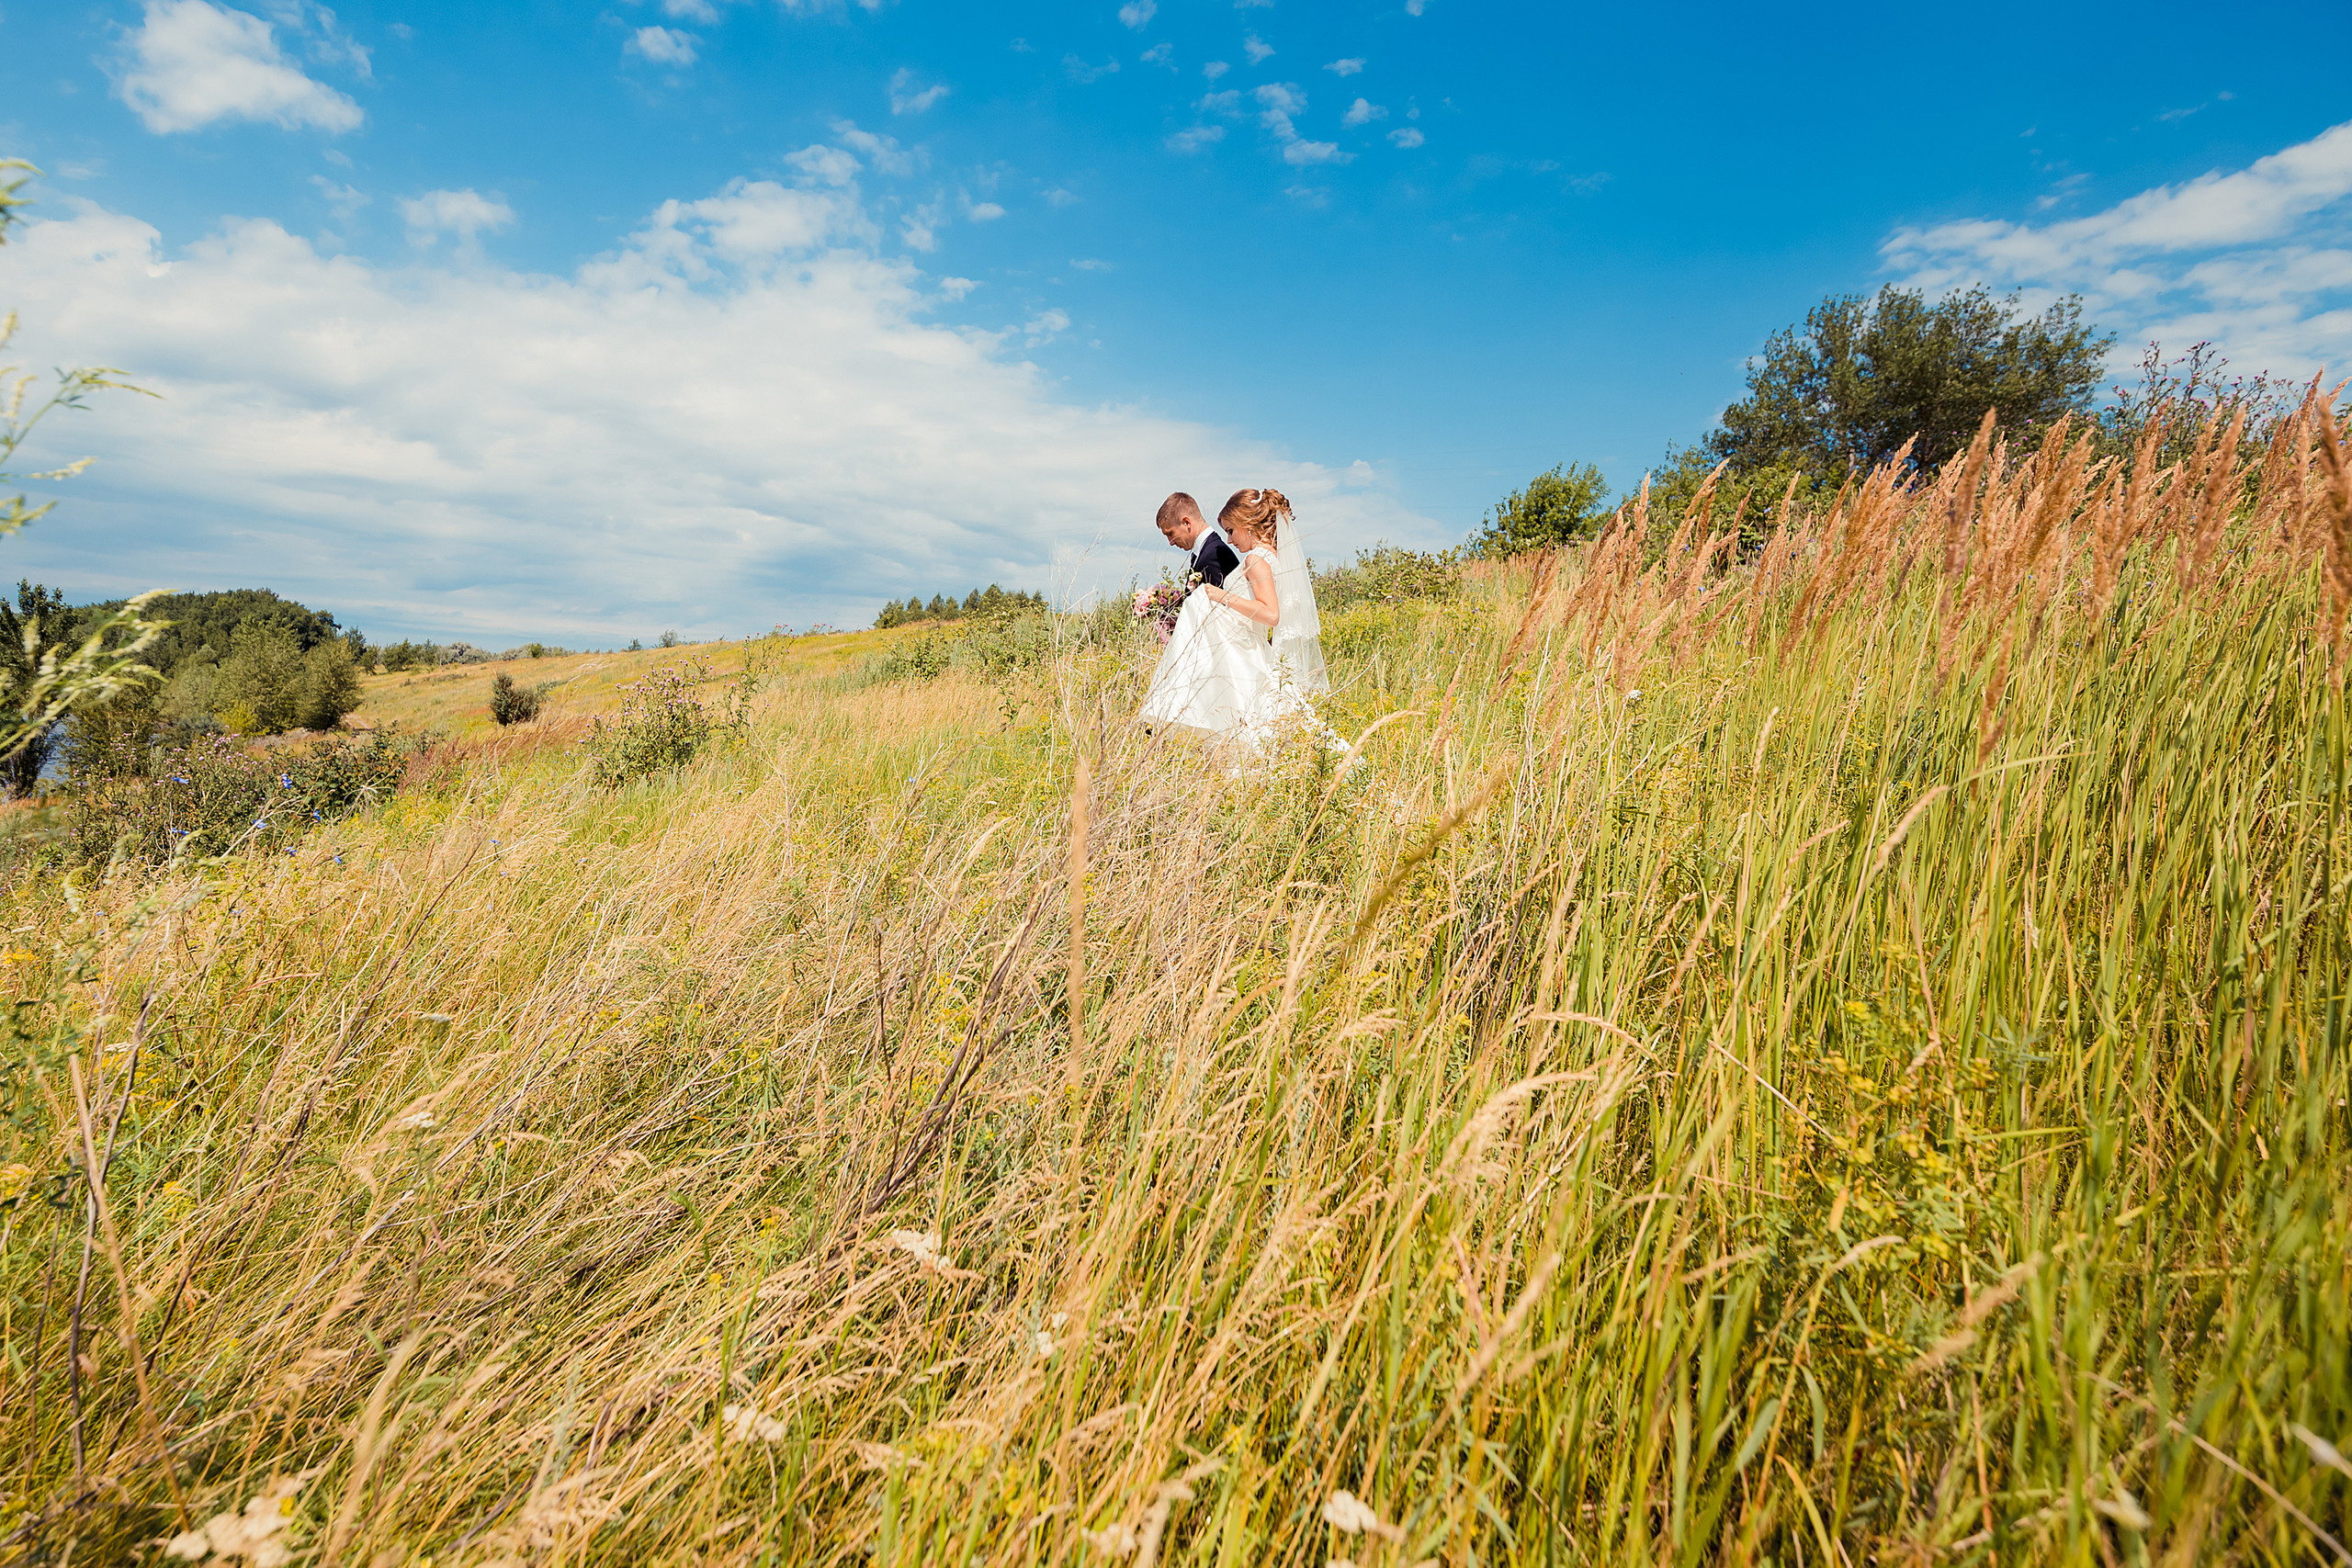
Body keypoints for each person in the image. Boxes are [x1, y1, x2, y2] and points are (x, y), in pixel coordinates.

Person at [1137, 487, 1329, 750]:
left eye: (1231, 530)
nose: (1229, 540)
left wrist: (1219, 596)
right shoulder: (1269, 558)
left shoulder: (1255, 560)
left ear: (1247, 525)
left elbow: (1271, 614)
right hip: (1250, 648)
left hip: (1246, 651)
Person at [1155, 492, 1242, 590]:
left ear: (1186, 523)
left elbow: (1222, 602)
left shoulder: (1215, 554)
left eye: (1170, 534)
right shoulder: (1204, 551)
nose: (1171, 542)